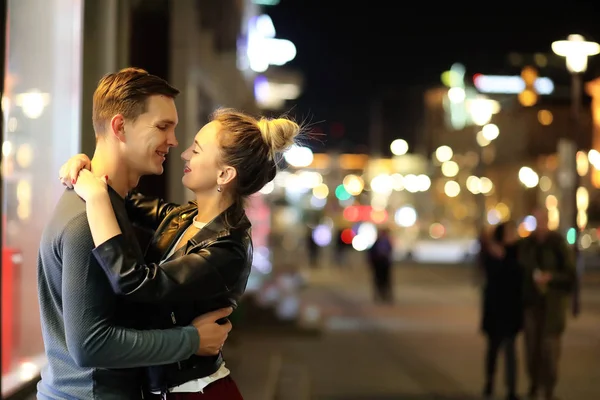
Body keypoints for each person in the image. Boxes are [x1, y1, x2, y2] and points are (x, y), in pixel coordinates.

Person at [59, 107, 301, 398]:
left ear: (224, 174)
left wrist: (96, 195)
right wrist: (86, 165)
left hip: (195, 392)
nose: (185, 154)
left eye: (197, 151)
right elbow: (125, 196)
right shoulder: (184, 217)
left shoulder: (227, 248)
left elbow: (134, 282)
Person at [37, 68, 232, 400]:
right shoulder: (88, 220)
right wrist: (192, 341)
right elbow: (90, 345)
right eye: (162, 127)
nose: (173, 141)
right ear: (119, 127)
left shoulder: (109, 205)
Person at [520, 209, 575, 400]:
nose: (540, 225)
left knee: (549, 350)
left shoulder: (557, 244)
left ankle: (549, 389)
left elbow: (570, 275)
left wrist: (550, 278)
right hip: (532, 305)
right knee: (531, 348)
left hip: (552, 307)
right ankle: (534, 385)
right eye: (537, 220)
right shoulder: (528, 244)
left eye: (543, 220)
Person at [479, 221, 523, 400]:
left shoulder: (517, 253)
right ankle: (489, 383)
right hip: (496, 308)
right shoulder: (491, 253)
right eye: (509, 232)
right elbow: (491, 275)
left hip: (511, 308)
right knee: (493, 349)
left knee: (511, 351)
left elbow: (519, 276)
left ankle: (511, 389)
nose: (513, 235)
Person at [367, 227, 394, 303]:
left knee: (385, 280)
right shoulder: (379, 242)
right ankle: (381, 295)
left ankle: (385, 295)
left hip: (384, 264)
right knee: (379, 280)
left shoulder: (385, 242)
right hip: (379, 264)